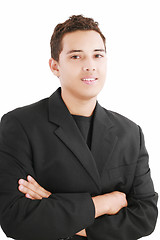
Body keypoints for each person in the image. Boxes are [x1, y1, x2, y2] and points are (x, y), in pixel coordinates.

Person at [0, 15, 158, 240]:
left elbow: (146, 216)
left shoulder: (130, 133)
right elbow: (15, 218)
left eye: (97, 55)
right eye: (76, 56)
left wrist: (57, 209)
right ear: (55, 66)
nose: (90, 66)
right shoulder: (20, 125)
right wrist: (105, 203)